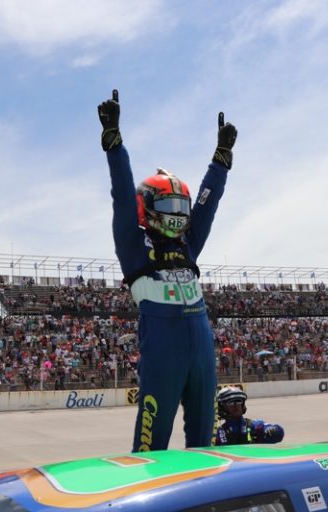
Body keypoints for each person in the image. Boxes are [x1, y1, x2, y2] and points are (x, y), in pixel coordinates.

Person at [98, 89, 237, 452]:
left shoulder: (188, 245)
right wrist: (115, 145)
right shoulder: (134, 247)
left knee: (206, 445)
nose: (177, 212)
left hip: (203, 354)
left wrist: (220, 160)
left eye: (180, 204)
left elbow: (208, 204)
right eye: (168, 203)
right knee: (150, 448)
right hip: (163, 355)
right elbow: (121, 194)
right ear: (146, 207)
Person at [215, 386, 284, 446]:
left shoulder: (254, 426)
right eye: (231, 402)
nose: (236, 405)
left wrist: (272, 430)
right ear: (222, 407)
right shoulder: (218, 433)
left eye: (239, 401)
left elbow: (278, 433)